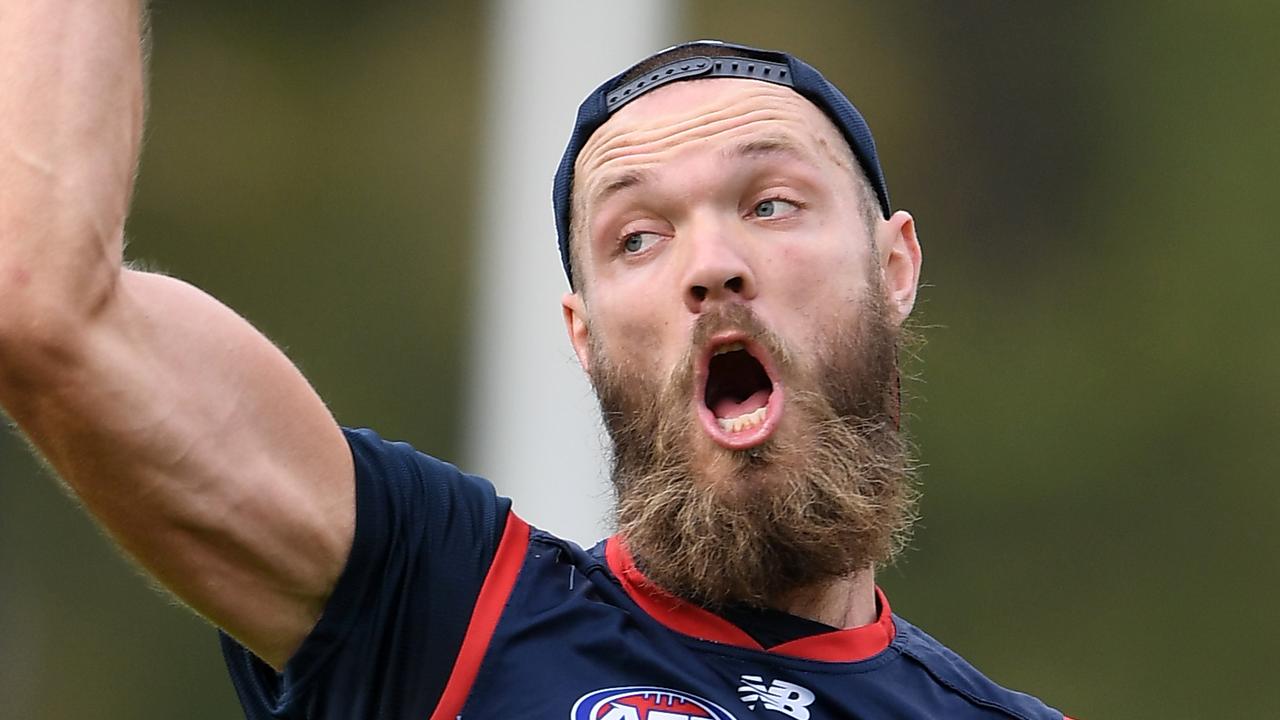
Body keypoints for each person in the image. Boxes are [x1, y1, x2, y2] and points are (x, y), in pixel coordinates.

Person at [0, 5, 1071, 719]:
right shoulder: (439, 604)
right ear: (584, 333)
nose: (711, 265)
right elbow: (47, 309)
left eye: (769, 203)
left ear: (893, 265)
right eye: (636, 238)